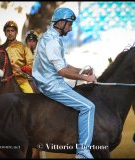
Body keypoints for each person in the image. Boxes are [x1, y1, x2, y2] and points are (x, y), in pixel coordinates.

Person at [32, 8, 97, 158]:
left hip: (48, 81)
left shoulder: (50, 37)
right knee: (88, 107)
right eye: (69, 24)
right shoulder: (53, 41)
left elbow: (65, 66)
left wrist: (82, 71)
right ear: (60, 23)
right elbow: (62, 71)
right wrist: (86, 79)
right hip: (51, 85)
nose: (71, 27)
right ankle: (82, 151)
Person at [3, 20, 34, 93]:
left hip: (21, 80)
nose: (10, 33)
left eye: (12, 31)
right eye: (8, 31)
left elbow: (31, 65)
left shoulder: (24, 47)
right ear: (5, 33)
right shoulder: (1, 49)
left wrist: (21, 69)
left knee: (30, 96)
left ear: (16, 32)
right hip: (4, 81)